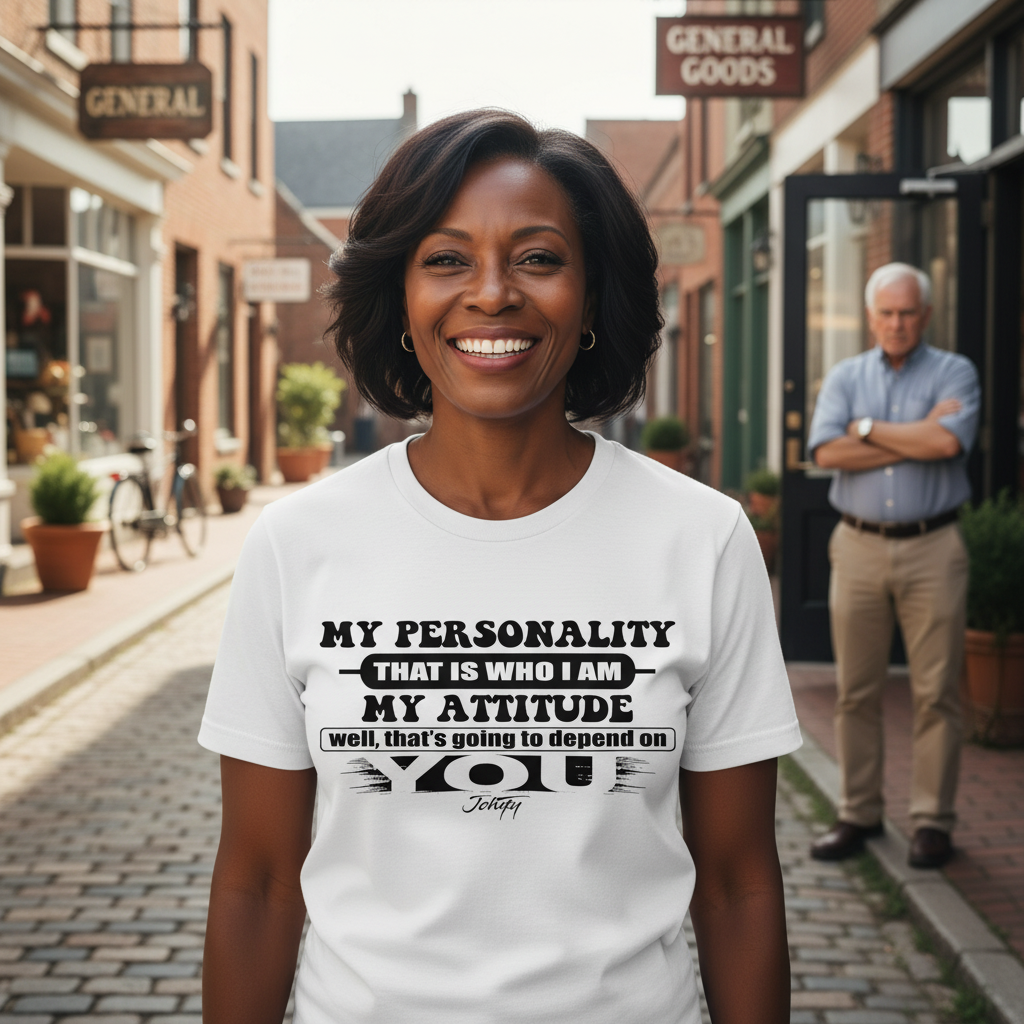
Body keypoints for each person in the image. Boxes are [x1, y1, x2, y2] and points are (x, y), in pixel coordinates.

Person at [198, 110, 801, 1024]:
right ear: (400, 297)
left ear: (592, 297)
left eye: (538, 258)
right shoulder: (299, 543)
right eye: (445, 259)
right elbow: (258, 881)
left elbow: (736, 882)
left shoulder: (702, 539)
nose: (491, 294)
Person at [807, 262, 980, 869]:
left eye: (908, 312)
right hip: (856, 546)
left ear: (926, 315)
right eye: (887, 312)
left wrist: (869, 430)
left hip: (935, 547)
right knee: (856, 691)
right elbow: (827, 450)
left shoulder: (956, 372)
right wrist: (910, 432)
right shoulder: (846, 375)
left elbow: (946, 445)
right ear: (870, 316)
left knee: (937, 693)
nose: (898, 323)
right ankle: (859, 812)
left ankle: (932, 820)